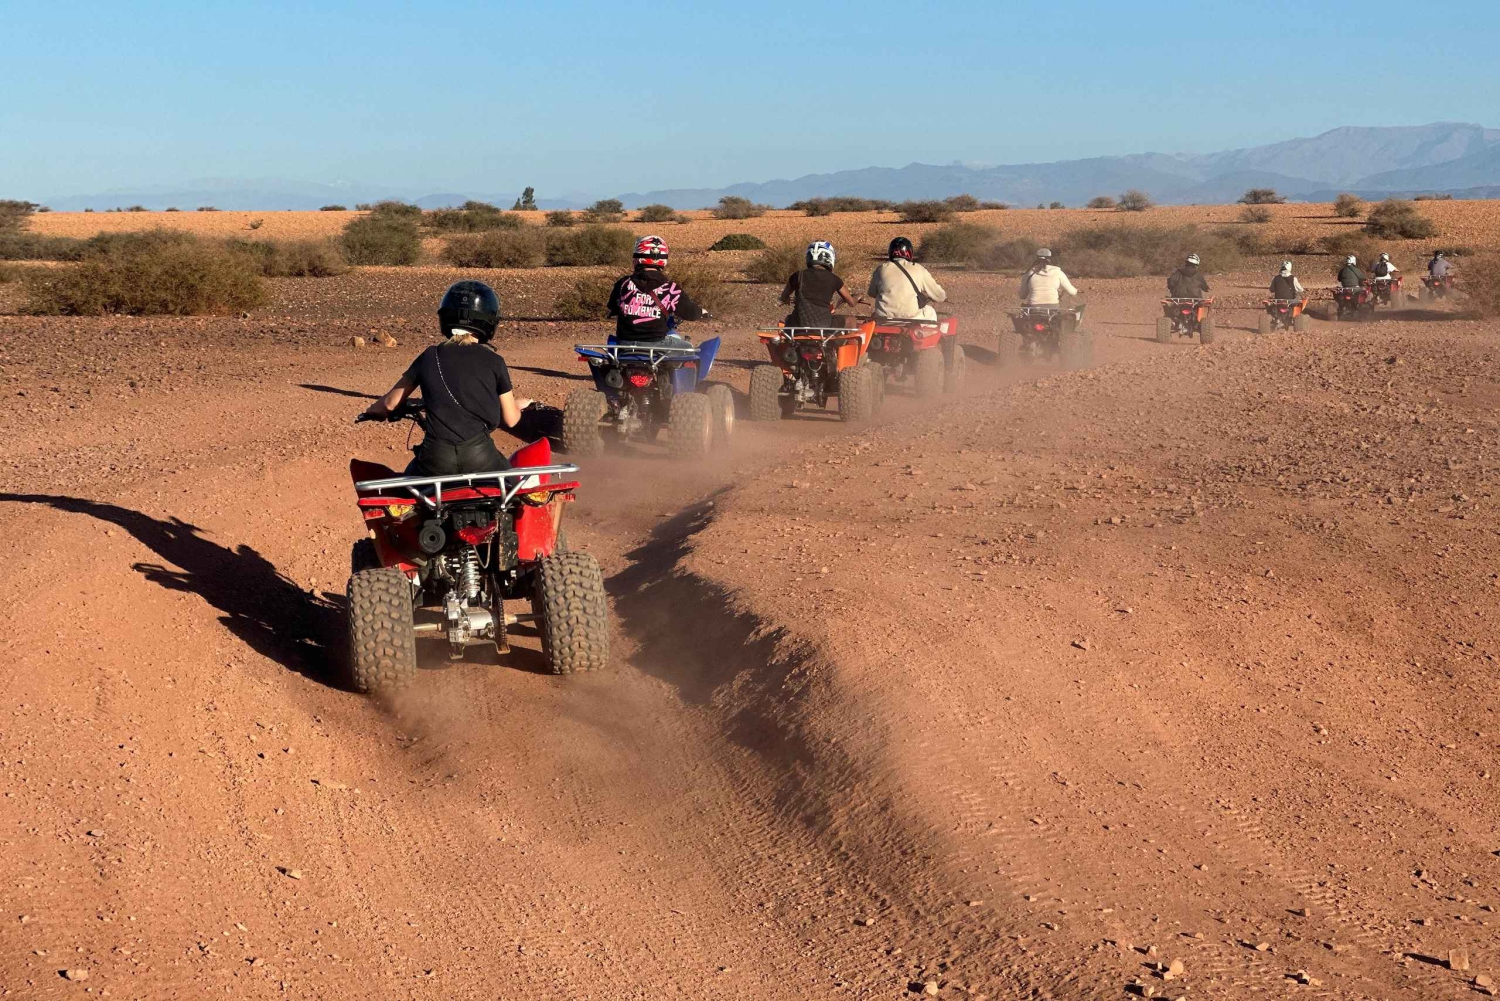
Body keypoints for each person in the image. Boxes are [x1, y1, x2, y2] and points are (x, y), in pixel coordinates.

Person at [361, 281, 529, 475]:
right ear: (489, 320)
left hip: (436, 459)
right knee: (511, 491)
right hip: (480, 457)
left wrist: (372, 411)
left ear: (446, 317)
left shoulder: (429, 356)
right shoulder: (495, 361)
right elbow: (511, 419)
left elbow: (389, 404)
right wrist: (517, 406)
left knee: (407, 493)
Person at [606, 236, 707, 347]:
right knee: (688, 348)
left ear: (637, 257)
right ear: (663, 259)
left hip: (624, 345)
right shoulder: (670, 288)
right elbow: (690, 313)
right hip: (657, 345)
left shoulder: (623, 284)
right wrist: (701, 312)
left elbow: (612, 306)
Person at [780, 240, 860, 328]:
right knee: (851, 320)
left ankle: (789, 341)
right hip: (824, 325)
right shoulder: (834, 279)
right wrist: (857, 297)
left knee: (788, 318)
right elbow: (851, 303)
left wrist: (787, 299)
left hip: (799, 325)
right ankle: (842, 342)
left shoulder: (797, 275)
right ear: (829, 257)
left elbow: (783, 297)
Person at [868, 237, 946, 320]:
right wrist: (942, 297)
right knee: (930, 311)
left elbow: (872, 293)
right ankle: (928, 333)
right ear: (909, 252)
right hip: (911, 318)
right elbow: (939, 296)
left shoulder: (881, 269)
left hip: (884, 318)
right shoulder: (918, 269)